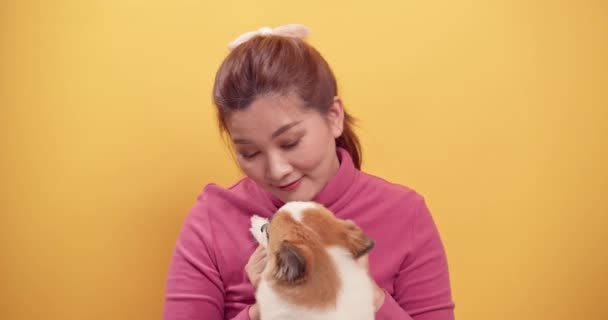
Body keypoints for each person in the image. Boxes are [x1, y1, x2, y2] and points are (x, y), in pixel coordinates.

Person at [163, 24, 455, 320]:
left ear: (334, 117)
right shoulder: (212, 218)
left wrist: (368, 297)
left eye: (290, 143)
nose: (276, 171)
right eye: (250, 153)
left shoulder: (403, 213)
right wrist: (264, 310)